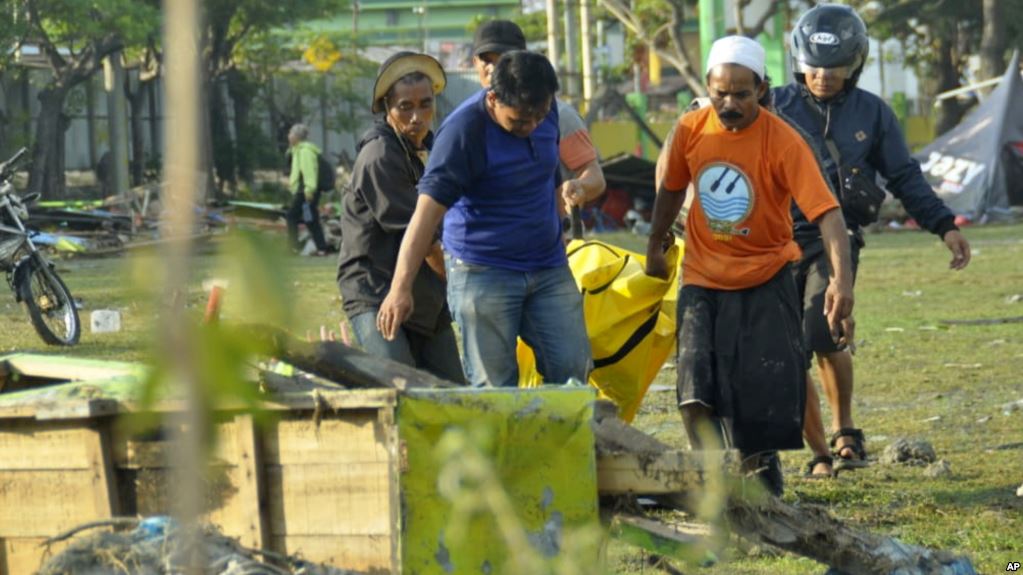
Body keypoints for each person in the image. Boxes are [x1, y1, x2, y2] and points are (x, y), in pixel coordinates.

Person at [645, 36, 854, 496]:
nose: (730, 103)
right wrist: (654, 245)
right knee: (694, 391)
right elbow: (670, 191)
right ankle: (714, 487)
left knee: (760, 396)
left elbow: (827, 212)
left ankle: (763, 482)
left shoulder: (783, 140)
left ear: (762, 89)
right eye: (721, 92)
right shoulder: (690, 129)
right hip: (702, 277)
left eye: (742, 93)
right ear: (708, 86)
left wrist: (842, 281)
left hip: (765, 278)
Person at [773, 4, 971, 477]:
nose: (822, 77)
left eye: (835, 69)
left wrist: (945, 226)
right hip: (774, 240)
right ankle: (820, 452)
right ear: (799, 62)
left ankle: (846, 430)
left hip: (833, 239)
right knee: (787, 348)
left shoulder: (873, 113)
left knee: (823, 331)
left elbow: (904, 176)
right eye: (814, 67)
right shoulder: (772, 105)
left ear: (854, 66)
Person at [377, 51, 592, 388]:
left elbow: (545, 174)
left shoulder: (544, 112)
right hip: (483, 271)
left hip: (548, 267)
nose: (532, 126)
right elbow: (425, 214)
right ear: (492, 98)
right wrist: (400, 288)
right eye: (520, 121)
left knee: (572, 368)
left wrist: (556, 222)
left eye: (540, 115)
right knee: (495, 388)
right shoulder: (464, 132)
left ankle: (558, 440)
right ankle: (503, 442)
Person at [337, 52, 464, 382]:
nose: (417, 117)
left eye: (425, 104)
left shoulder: (433, 149)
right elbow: (424, 239)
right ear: (386, 108)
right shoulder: (379, 155)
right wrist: (464, 287)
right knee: (404, 391)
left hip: (426, 296)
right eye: (405, 107)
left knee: (456, 395)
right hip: (377, 291)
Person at [471, 19, 606, 218]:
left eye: (503, 60)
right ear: (474, 62)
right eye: (487, 60)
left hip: (554, 238)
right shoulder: (468, 121)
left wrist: (581, 186)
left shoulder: (560, 116)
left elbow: (595, 176)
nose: (493, 68)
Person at [286, 123, 331, 255]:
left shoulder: (305, 151)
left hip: (306, 191)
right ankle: (322, 248)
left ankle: (293, 248)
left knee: (291, 216)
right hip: (305, 190)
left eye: (291, 133)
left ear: (297, 136)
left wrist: (309, 189)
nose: (289, 136)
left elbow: (309, 172)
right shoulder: (297, 150)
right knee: (310, 219)